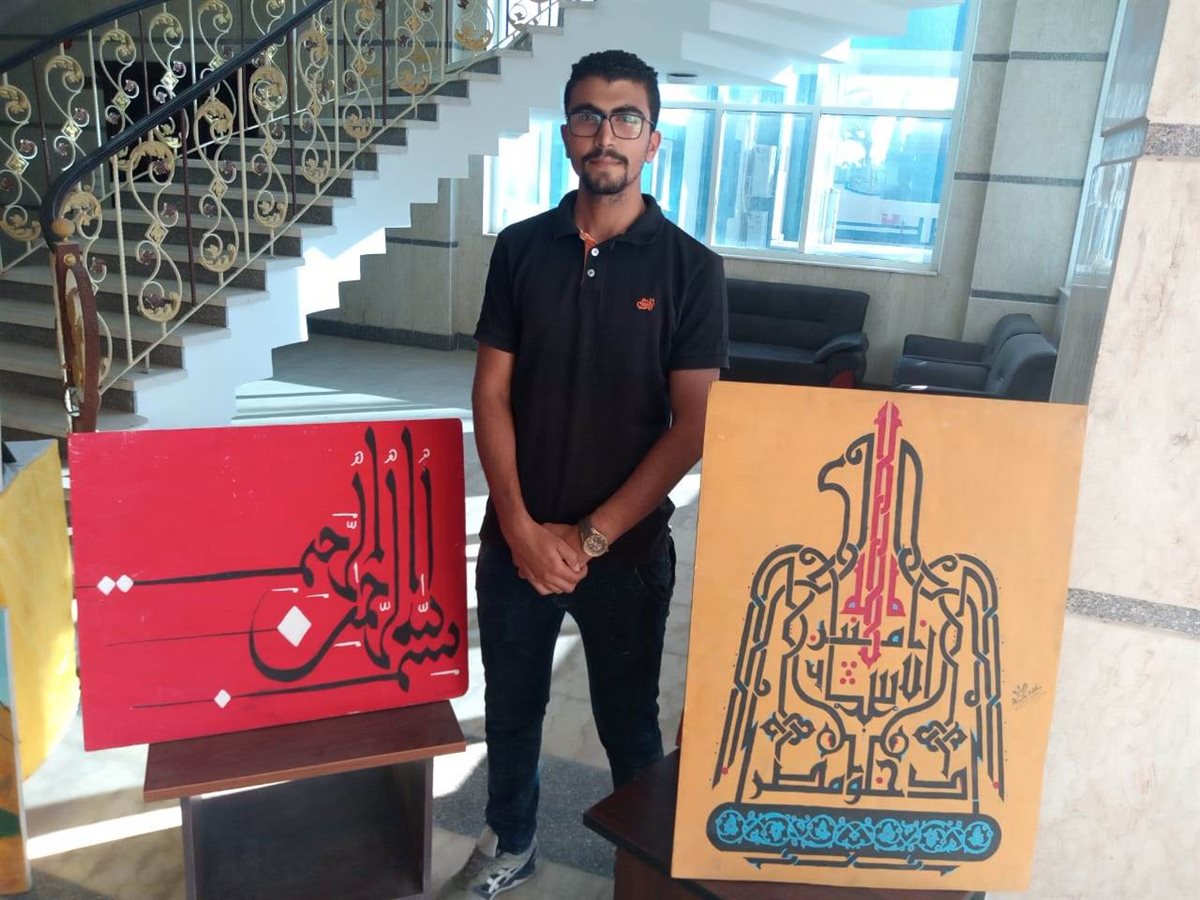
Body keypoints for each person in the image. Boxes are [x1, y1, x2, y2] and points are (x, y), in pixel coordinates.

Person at [439, 49, 728, 899]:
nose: (607, 134)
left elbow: (694, 424)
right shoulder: (521, 249)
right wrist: (522, 529)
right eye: (589, 116)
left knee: (629, 724)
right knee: (512, 712)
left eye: (626, 117)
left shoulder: (691, 269)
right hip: (517, 541)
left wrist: (591, 538)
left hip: (626, 555)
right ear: (567, 134)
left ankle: (644, 876)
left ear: (653, 141)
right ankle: (512, 842)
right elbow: (491, 394)